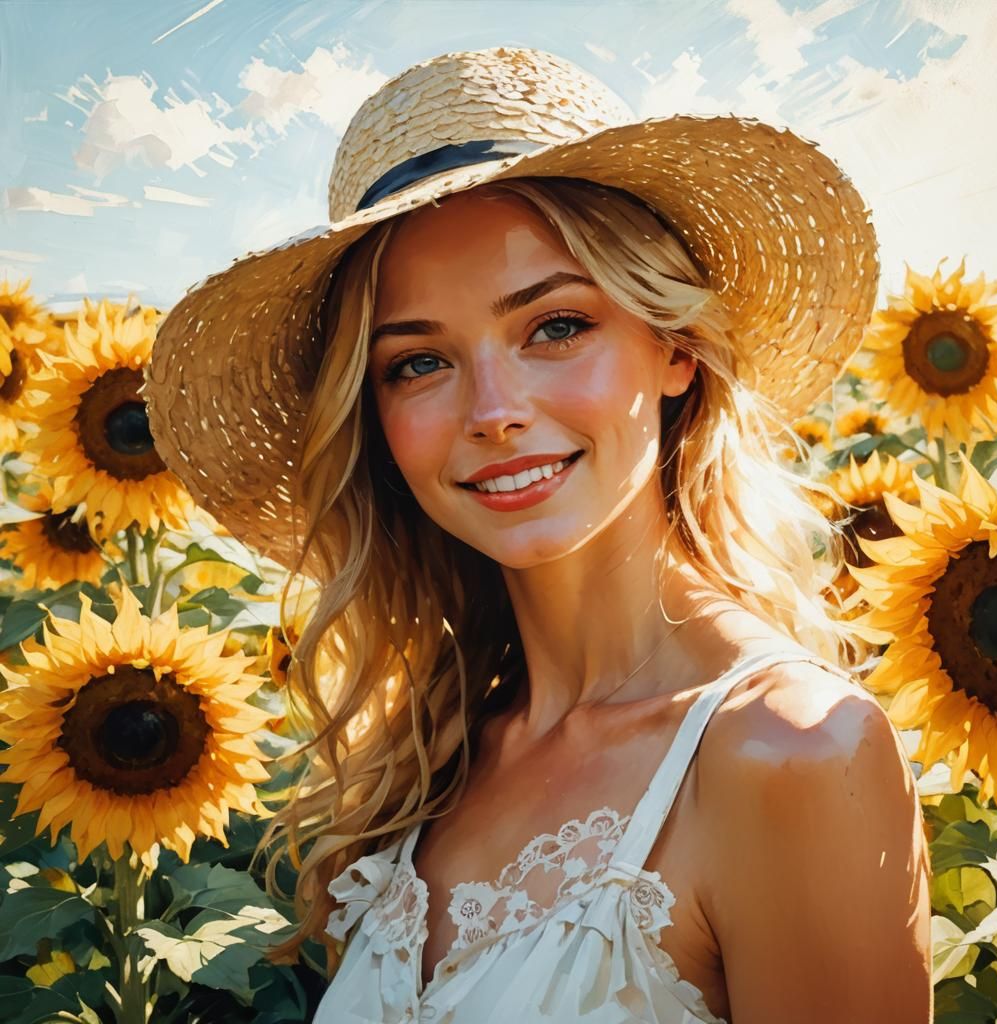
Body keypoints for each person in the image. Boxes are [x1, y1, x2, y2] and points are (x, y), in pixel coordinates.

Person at [144, 46, 933, 1024]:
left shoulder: (792, 755)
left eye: (554, 326)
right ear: (376, 418)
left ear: (674, 346)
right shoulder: (432, 762)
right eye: (419, 361)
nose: (493, 409)